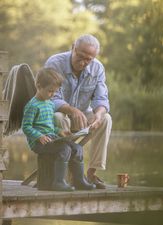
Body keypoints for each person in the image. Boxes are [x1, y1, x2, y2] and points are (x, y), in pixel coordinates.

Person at [44, 34, 112, 189]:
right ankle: (68, 172)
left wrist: (98, 115)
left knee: (106, 118)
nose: (83, 62)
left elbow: (101, 99)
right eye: (80, 56)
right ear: (73, 47)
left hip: (82, 116)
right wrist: (72, 110)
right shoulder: (55, 63)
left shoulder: (98, 68)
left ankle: (91, 173)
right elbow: (50, 98)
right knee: (58, 117)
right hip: (58, 115)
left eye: (88, 59)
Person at [22, 68, 95, 191]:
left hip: (52, 138)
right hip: (39, 143)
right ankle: (58, 182)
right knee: (64, 149)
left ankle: (79, 181)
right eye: (50, 91)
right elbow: (26, 127)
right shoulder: (32, 106)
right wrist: (39, 136)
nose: (52, 95)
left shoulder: (50, 104)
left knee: (77, 148)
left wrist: (59, 131)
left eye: (55, 92)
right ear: (39, 86)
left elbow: (49, 125)